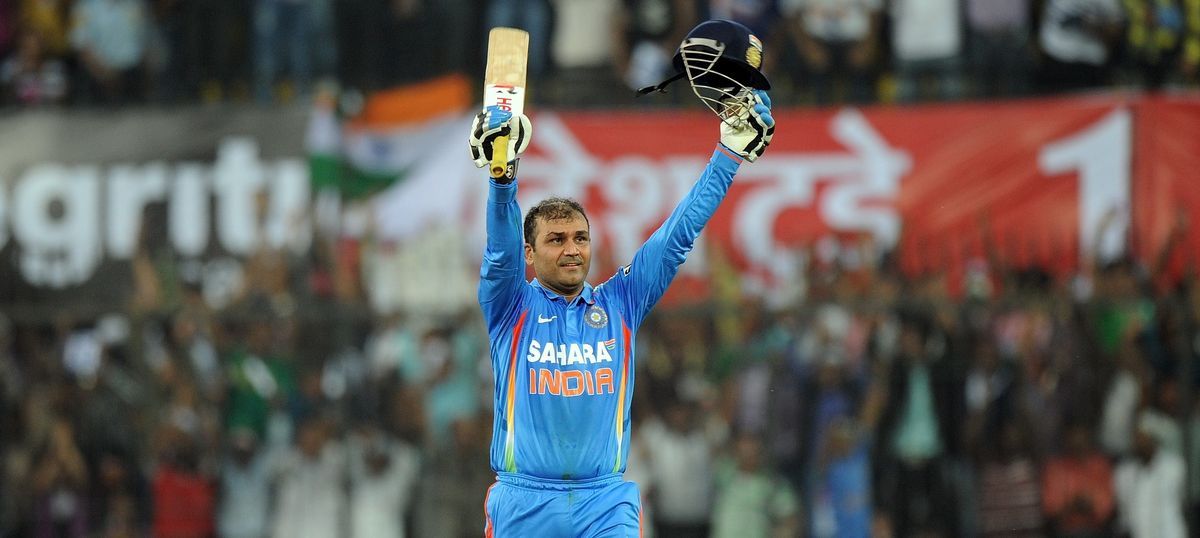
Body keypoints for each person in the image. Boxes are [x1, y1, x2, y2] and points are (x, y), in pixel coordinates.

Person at [468, 19, 776, 537]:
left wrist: (728, 157)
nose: (572, 250)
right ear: (531, 251)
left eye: (580, 238)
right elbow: (498, 253)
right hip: (524, 502)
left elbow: (675, 238)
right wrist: (503, 179)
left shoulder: (620, 303)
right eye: (556, 239)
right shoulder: (509, 307)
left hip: (604, 502)